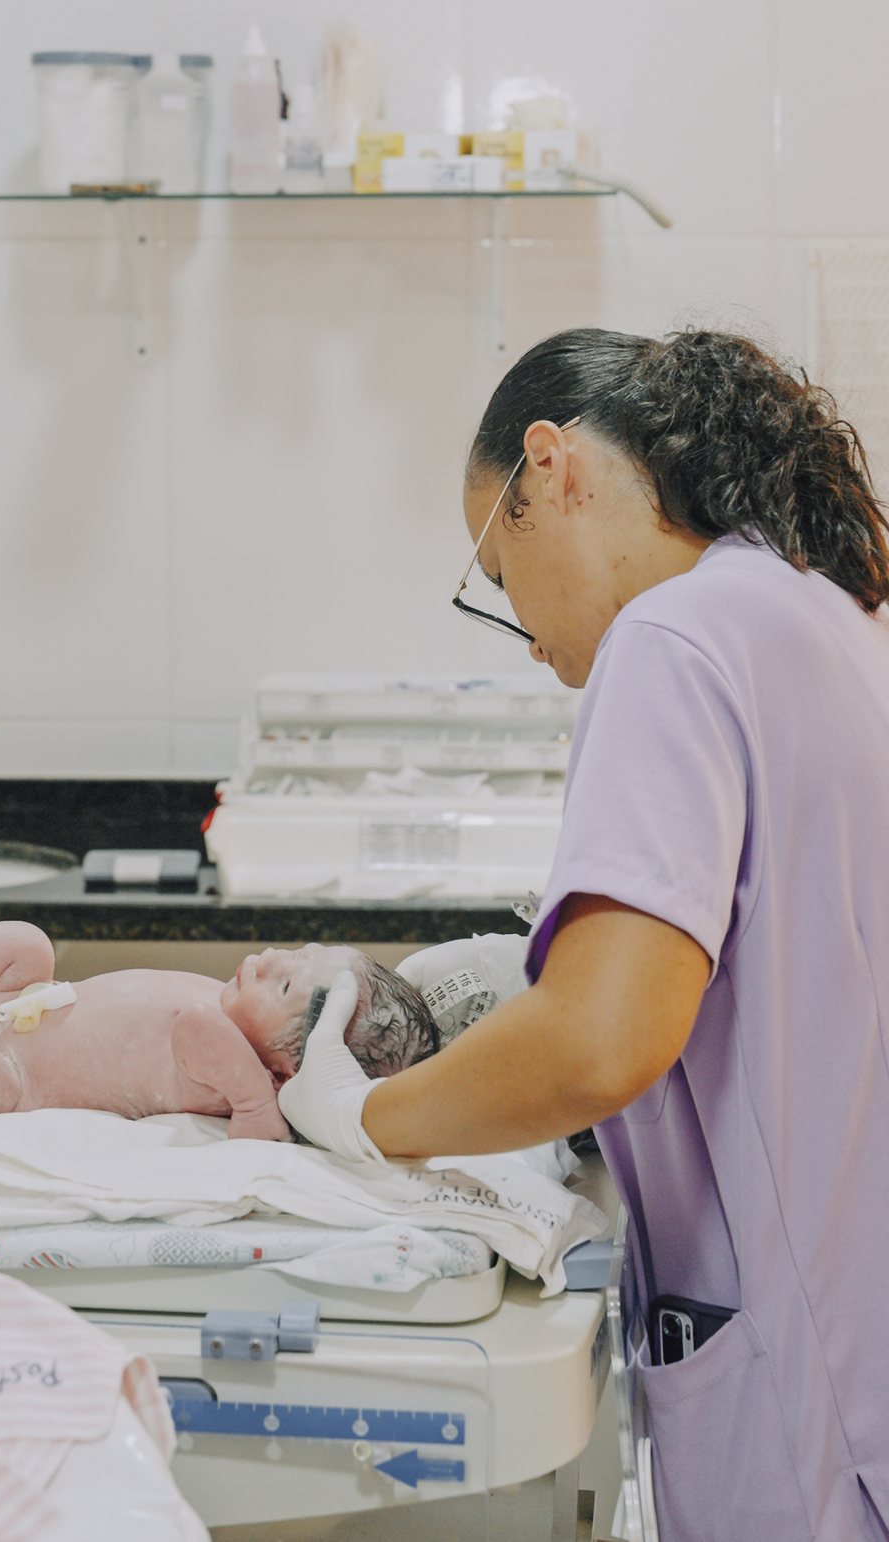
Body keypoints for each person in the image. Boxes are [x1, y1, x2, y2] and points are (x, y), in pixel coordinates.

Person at [279, 327, 889, 1542]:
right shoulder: (818, 608)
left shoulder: (671, 640)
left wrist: (358, 1116)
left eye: (499, 576)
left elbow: (599, 1041)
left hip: (802, 1406)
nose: (532, 644)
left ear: (549, 469)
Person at [0, 915, 437, 1140]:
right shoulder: (235, 1020)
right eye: (297, 954)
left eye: (287, 987)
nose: (271, 959)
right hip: (18, 1010)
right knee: (29, 945)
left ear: (289, 1067)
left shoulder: (241, 1074)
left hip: (8, 1077)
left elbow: (196, 1029)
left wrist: (257, 1106)